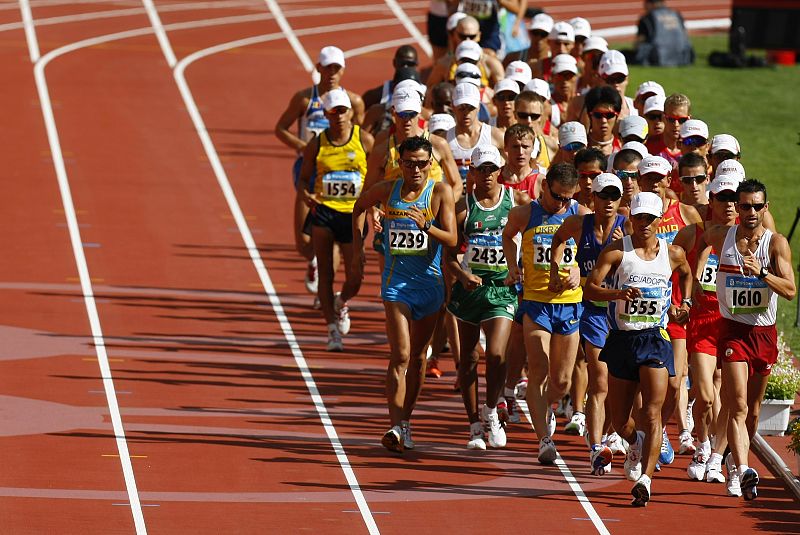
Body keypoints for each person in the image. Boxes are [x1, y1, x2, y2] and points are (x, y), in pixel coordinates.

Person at [583, 191, 692, 506]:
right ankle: (635, 442)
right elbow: (590, 287)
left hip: (654, 338)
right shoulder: (617, 252)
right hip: (621, 340)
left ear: (660, 220)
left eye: (650, 218)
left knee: (653, 411)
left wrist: (684, 301)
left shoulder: (672, 254)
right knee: (620, 422)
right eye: (639, 217)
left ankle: (646, 478)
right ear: (632, 218)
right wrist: (616, 294)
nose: (644, 224)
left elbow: (686, 274)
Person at [351, 136, 458, 453]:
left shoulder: (439, 192)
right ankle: (395, 425)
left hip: (430, 285)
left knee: (418, 359)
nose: (415, 169)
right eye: (408, 163)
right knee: (399, 355)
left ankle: (406, 421)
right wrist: (358, 249)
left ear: (430, 164)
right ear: (399, 163)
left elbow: (451, 238)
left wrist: (428, 227)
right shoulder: (389, 190)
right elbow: (359, 205)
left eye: (421, 163)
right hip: (396, 285)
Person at [699, 179, 796, 500]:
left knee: (753, 411)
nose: (750, 211)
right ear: (737, 208)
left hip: (763, 335)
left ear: (765, 208)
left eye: (757, 206)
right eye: (745, 206)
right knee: (737, 404)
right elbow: (686, 241)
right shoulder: (718, 235)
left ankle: (730, 458)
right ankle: (742, 470)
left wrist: (761, 274)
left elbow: (791, 291)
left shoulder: (775, 244)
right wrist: (693, 283)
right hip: (733, 333)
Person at [503, 163, 590, 464]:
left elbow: (590, 255)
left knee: (562, 381)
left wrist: (579, 272)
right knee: (538, 370)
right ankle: (544, 441)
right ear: (544, 187)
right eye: (557, 197)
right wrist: (513, 266)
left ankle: (544, 406)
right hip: (536, 303)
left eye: (568, 198)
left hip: (569, 302)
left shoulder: (580, 216)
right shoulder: (524, 214)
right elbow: (507, 235)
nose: (562, 204)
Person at [448, 145, 529, 450]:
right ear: (472, 172)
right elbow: (449, 255)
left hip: (501, 290)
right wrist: (462, 275)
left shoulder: (517, 201)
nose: (488, 175)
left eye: (492, 169)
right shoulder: (463, 207)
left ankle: (491, 410)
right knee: (468, 358)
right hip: (469, 289)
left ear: (500, 171)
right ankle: (473, 426)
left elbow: (540, 233)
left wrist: (519, 267)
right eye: (481, 169)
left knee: (496, 353)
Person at [275, 46, 366, 302]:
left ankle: (325, 284)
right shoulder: (305, 99)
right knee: (304, 244)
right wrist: (303, 147)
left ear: (343, 70)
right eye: (328, 68)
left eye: (337, 68)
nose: (332, 73)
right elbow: (280, 128)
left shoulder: (354, 102)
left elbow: (359, 135)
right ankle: (316, 261)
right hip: (310, 170)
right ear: (318, 68)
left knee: (333, 237)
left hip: (342, 175)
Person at [551, 173, 627, 474]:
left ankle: (609, 432)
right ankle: (596, 448)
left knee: (619, 385)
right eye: (603, 196)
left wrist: (629, 248)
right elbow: (557, 241)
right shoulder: (577, 224)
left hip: (622, 314)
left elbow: (652, 256)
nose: (608, 202)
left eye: (614, 196)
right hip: (593, 312)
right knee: (600, 379)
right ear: (591, 198)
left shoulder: (628, 226)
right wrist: (558, 267)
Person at [673, 175, 740, 482]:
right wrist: (686, 295)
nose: (728, 205)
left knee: (729, 396)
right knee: (705, 394)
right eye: (722, 199)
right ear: (710, 202)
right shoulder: (693, 233)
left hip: (733, 322)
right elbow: (672, 265)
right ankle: (703, 443)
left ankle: (714, 456)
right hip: (702, 321)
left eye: (732, 199)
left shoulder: (748, 234)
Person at [636, 154, 702, 465]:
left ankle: (658, 429)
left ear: (668, 180)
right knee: (641, 383)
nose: (653, 182)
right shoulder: (631, 215)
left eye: (658, 177)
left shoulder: (686, 214)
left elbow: (704, 247)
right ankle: (645, 431)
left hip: (674, 312)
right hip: (638, 313)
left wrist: (688, 300)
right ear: (639, 180)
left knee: (676, 382)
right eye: (647, 177)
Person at [296, 89, 375, 350]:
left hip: (354, 215)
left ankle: (342, 302)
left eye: (343, 110)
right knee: (326, 274)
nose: (339, 116)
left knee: (356, 275)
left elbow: (377, 176)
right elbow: (303, 178)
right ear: (327, 115)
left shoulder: (364, 140)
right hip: (325, 214)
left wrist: (375, 204)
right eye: (334, 111)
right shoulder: (316, 144)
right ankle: (332, 330)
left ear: (351, 113)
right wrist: (306, 195)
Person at [446, 83, 505, 191]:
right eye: (461, 108)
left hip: (487, 202)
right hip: (455, 201)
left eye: (470, 108)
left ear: (478, 107)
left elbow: (511, 170)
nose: (466, 113)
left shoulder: (496, 135)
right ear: (453, 107)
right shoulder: (444, 139)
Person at [426, 17, 505, 97]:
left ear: (479, 36)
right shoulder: (444, 64)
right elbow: (429, 91)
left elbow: (503, 94)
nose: (467, 40)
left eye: (472, 36)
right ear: (455, 35)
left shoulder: (491, 63)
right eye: (462, 36)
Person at [634, 0, 694, 66]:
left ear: (650, 4)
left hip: (658, 57)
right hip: (684, 57)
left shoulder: (647, 18)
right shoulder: (676, 14)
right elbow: (685, 35)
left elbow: (639, 42)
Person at [515, 89, 557, 170]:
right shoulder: (503, 143)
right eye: (523, 115)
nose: (529, 121)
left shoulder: (551, 145)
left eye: (534, 116)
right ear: (515, 114)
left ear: (541, 117)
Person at [499, 123, 542, 199]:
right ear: (505, 147)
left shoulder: (540, 181)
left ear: (532, 148)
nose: (520, 152)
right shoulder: (495, 178)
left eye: (525, 147)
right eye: (515, 147)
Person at [585, 86, 623, 157]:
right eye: (598, 115)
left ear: (617, 116)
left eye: (609, 115)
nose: (603, 120)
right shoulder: (578, 148)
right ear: (589, 115)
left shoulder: (623, 148)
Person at [611, 142, 646, 216]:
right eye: (623, 175)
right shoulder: (605, 206)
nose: (629, 182)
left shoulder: (652, 202)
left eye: (634, 175)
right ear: (614, 174)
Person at [550, 54, 579, 129]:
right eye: (560, 76)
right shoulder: (547, 105)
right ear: (552, 78)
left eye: (569, 75)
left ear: (576, 78)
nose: (564, 81)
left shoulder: (583, 102)